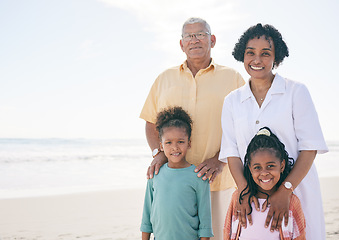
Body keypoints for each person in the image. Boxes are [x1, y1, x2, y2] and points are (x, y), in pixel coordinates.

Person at [219, 23, 328, 240]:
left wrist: (286, 190)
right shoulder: (232, 101)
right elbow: (232, 152)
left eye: (265, 53)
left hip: (297, 191)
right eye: (250, 53)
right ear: (242, 55)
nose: (257, 60)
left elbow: (309, 148)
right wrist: (243, 190)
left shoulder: (295, 92)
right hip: (252, 199)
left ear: (276, 58)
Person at [140, 17, 244, 239]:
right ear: (181, 44)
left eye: (201, 34)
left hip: (219, 180)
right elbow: (150, 121)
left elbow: (242, 127)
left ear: (212, 40)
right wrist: (157, 153)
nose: (194, 40)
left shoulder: (233, 78)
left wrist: (220, 159)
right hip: (175, 182)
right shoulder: (164, 79)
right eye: (189, 36)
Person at [140, 106, 213, 240]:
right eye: (168, 142)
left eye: (180, 141)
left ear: (189, 143)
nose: (175, 147)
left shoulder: (198, 176)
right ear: (161, 146)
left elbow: (205, 222)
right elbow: (147, 214)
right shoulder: (155, 174)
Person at [224, 127, 306, 240]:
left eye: (270, 166)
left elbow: (299, 236)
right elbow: (228, 232)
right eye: (257, 167)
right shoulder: (238, 198)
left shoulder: (291, 202)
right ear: (250, 168)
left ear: (282, 166)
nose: (264, 173)